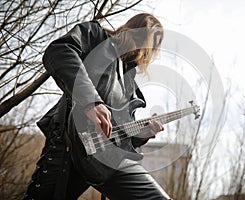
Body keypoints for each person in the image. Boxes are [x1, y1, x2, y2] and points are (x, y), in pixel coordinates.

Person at [24, 13, 171, 200]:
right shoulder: (95, 36)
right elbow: (59, 50)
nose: (148, 51)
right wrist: (91, 101)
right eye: (148, 42)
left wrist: (143, 134)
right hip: (69, 146)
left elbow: (120, 136)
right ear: (136, 31)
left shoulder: (129, 82)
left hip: (108, 160)